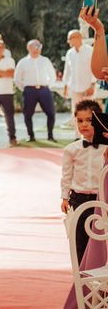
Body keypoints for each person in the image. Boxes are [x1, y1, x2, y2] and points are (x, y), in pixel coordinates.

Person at [60, 100, 105, 264]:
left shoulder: (106, 149)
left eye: (89, 120)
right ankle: (81, 278)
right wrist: (65, 198)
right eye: (80, 120)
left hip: (100, 200)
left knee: (100, 240)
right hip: (78, 199)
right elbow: (66, 175)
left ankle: (100, 279)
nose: (84, 124)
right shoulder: (71, 150)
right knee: (79, 240)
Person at [14, 39, 57, 142]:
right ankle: (31, 136)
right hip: (29, 91)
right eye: (35, 47)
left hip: (44, 90)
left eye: (39, 47)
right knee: (28, 114)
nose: (37, 49)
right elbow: (17, 79)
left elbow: (52, 75)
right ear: (29, 48)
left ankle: (50, 135)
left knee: (51, 113)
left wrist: (47, 87)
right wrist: (25, 89)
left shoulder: (45, 60)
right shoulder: (23, 62)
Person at [63, 29, 95, 131]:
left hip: (88, 87)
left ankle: (91, 137)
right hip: (74, 87)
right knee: (75, 113)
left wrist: (92, 85)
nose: (68, 41)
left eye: (70, 38)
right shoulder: (69, 53)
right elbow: (67, 71)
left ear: (78, 38)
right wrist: (65, 86)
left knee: (89, 113)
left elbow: (94, 68)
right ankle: (78, 137)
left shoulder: (90, 50)